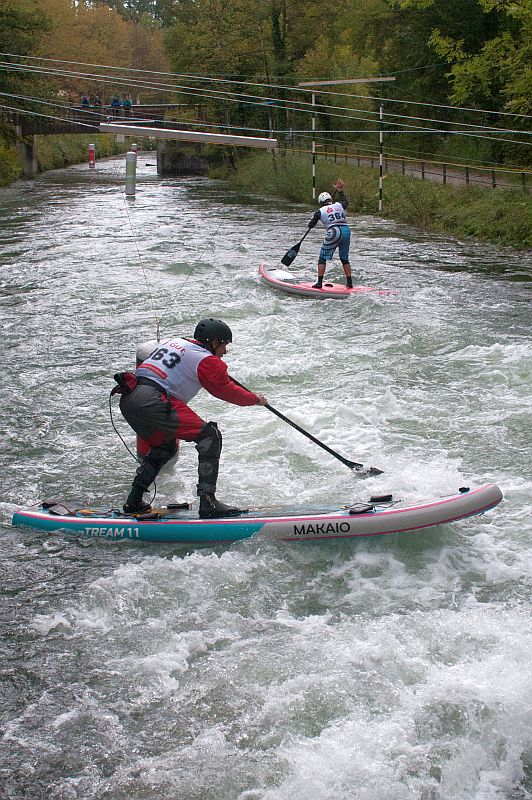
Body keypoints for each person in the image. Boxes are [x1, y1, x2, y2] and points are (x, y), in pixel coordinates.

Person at [114, 318, 268, 518]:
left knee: (164, 448)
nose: (225, 351)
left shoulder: (177, 342)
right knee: (210, 436)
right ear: (213, 342)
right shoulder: (207, 360)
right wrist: (255, 399)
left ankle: (133, 503)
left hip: (129, 398)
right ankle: (208, 503)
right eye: (224, 345)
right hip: (153, 400)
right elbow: (224, 390)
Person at [307, 178, 353, 289]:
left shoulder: (319, 212)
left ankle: (319, 283)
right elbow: (345, 201)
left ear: (321, 203)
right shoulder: (339, 205)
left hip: (334, 232)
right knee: (344, 258)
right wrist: (340, 191)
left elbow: (311, 224)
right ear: (330, 200)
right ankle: (349, 283)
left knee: (322, 258)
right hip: (346, 231)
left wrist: (312, 222)